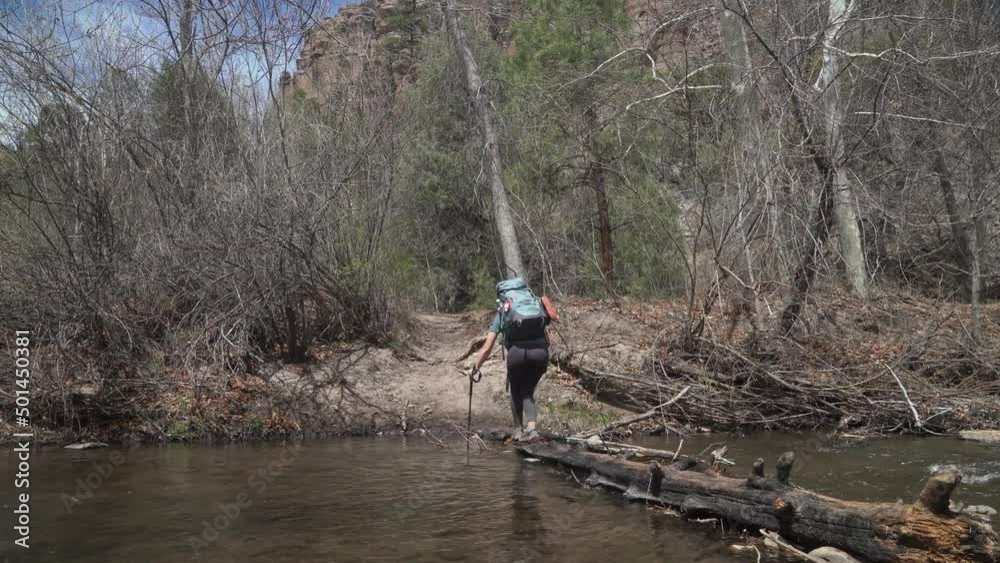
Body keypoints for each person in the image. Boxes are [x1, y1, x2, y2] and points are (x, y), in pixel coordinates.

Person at [471, 279, 551, 442]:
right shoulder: (534, 306)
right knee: (527, 392)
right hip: (540, 354)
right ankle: (532, 429)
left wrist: (476, 368)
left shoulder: (503, 312)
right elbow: (547, 338)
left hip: (517, 354)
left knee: (515, 392)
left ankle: (518, 431)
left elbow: (487, 348)